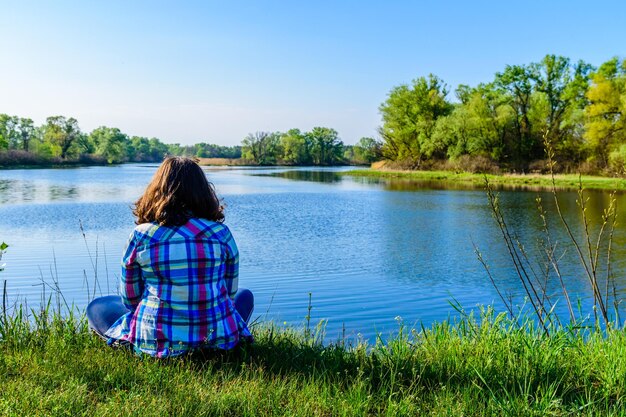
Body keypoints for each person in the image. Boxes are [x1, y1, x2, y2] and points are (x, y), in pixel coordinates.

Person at [87, 156, 253, 358]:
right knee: (245, 295)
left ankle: (136, 342)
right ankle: (219, 338)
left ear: (156, 191)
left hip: (154, 345)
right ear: (203, 192)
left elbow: (130, 300)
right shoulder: (221, 233)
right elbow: (230, 293)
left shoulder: (141, 235)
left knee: (98, 306)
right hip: (218, 344)